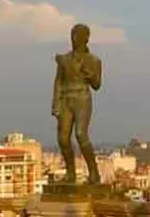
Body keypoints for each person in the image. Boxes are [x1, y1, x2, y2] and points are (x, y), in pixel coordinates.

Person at [52, 24, 103, 184]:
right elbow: (58, 82)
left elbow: (97, 85)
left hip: (82, 98)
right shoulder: (64, 59)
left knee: (81, 134)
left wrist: (89, 74)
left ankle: (94, 172)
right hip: (66, 99)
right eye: (73, 35)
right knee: (62, 138)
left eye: (78, 36)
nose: (74, 39)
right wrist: (55, 103)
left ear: (85, 39)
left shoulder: (94, 60)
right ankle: (70, 173)